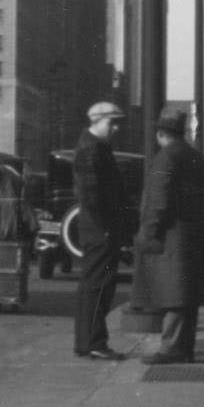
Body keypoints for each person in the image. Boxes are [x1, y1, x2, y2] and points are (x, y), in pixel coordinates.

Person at [131, 104, 204, 364]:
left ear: (160, 134)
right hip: (195, 236)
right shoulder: (199, 159)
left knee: (174, 295)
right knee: (186, 296)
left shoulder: (165, 158)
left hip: (171, 237)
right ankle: (184, 347)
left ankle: (172, 349)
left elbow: (158, 200)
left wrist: (147, 234)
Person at [72, 100, 128, 360]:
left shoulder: (94, 147)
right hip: (100, 230)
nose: (115, 127)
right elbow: (91, 195)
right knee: (98, 285)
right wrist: (106, 228)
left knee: (94, 285)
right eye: (111, 122)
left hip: (97, 228)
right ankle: (94, 341)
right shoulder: (92, 150)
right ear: (97, 121)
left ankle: (89, 341)